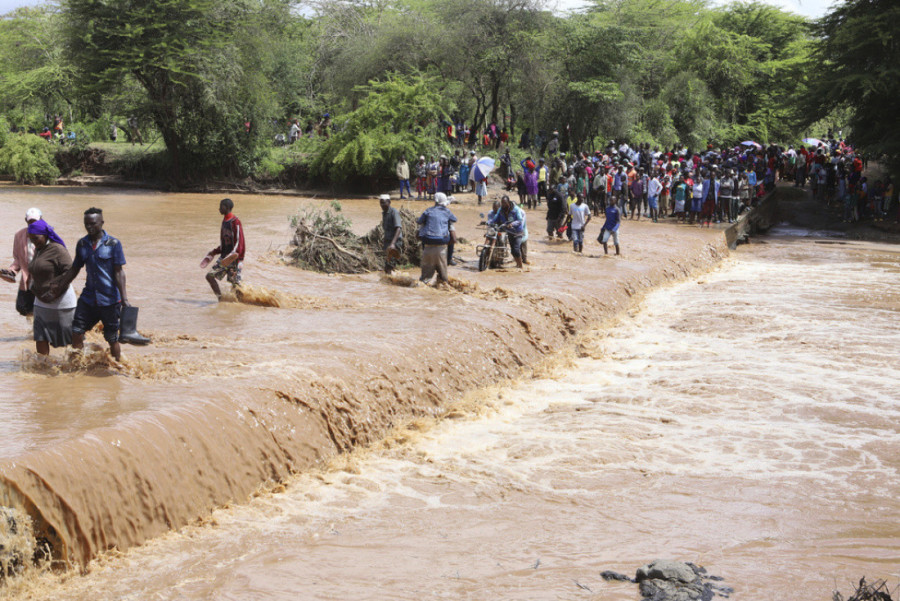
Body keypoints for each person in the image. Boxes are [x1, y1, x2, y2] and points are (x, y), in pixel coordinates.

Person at [51, 207, 139, 362]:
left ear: (102, 223)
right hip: (89, 298)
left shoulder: (113, 244)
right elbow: (74, 269)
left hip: (110, 300)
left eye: (93, 224)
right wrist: (60, 287)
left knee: (112, 338)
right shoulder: (82, 244)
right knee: (76, 331)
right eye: (86, 224)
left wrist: (124, 299)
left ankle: (119, 366)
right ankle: (76, 366)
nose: (89, 227)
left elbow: (119, 272)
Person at [28, 219, 77, 355]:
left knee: (71, 338)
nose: (34, 242)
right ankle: (43, 366)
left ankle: (77, 367)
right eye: (31, 239)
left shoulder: (58, 249)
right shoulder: (38, 249)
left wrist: (56, 289)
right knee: (40, 336)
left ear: (45, 235)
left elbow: (71, 271)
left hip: (62, 302)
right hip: (40, 300)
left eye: (36, 238)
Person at [202, 198, 246, 300]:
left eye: (221, 206)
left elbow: (240, 241)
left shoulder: (236, 222)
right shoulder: (224, 221)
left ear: (226, 207)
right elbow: (224, 243)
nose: (219, 209)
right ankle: (221, 299)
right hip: (224, 257)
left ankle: (246, 302)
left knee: (235, 285)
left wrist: (236, 256)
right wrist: (214, 252)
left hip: (232, 258)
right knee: (210, 276)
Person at [2, 207, 43, 316]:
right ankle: (34, 327)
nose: (33, 224)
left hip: (43, 279)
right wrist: (11, 271)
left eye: (35, 222)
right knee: (22, 307)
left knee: (42, 308)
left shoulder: (48, 235)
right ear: (26, 220)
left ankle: (38, 328)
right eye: (30, 222)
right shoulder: (19, 235)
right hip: (28, 278)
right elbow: (17, 259)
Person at [416, 192, 457, 285]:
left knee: (424, 280)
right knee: (444, 281)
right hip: (441, 245)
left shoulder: (428, 211)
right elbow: (455, 219)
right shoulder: (446, 211)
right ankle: (449, 259)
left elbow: (419, 221)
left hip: (427, 245)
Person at [488, 195, 526, 269]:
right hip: (509, 232)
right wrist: (490, 222)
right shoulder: (501, 210)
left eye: (505, 203)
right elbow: (496, 218)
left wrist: (512, 224)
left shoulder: (515, 209)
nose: (503, 204)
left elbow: (520, 220)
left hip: (517, 232)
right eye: (502, 203)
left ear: (508, 202)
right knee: (512, 251)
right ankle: (517, 265)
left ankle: (521, 266)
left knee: (516, 249)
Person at [379, 195, 403, 274]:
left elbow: (398, 228)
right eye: (381, 203)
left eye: (383, 203)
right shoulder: (385, 213)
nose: (382, 205)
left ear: (389, 202)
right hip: (388, 242)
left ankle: (391, 282)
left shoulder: (394, 212)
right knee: (388, 266)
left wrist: (393, 244)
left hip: (395, 242)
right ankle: (393, 282)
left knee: (389, 266)